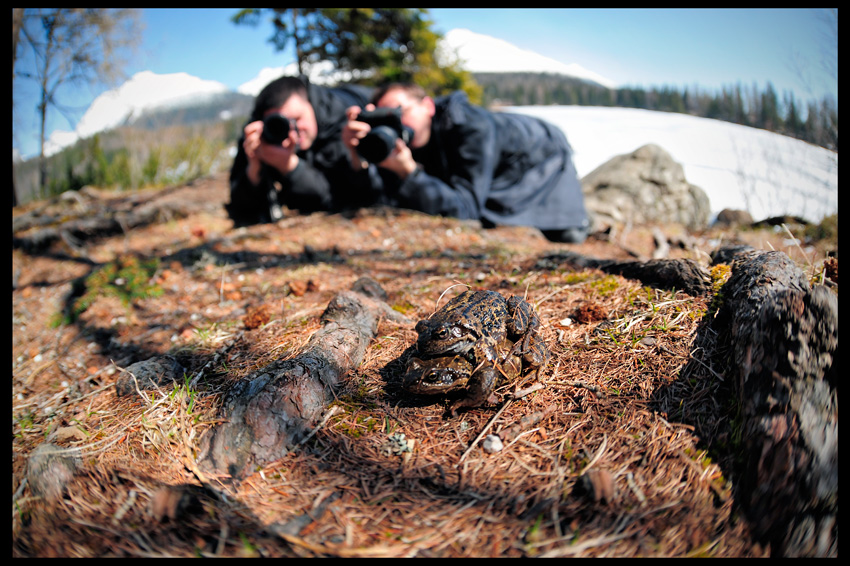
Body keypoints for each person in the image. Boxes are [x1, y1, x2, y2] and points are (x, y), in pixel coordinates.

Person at [342, 83, 590, 243]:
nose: (398, 125)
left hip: (542, 154)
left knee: (568, 234)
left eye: (401, 113)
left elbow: (466, 211)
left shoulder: (470, 127)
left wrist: (410, 172)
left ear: (428, 105)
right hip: (498, 166)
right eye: (385, 120)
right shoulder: (409, 141)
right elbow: (379, 202)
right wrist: (358, 157)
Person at [227, 75, 383, 225]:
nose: (292, 132)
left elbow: (340, 197)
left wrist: (288, 166)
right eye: (281, 124)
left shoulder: (341, 119)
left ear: (310, 103)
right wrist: (254, 169)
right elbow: (239, 208)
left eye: (297, 119)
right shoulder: (259, 134)